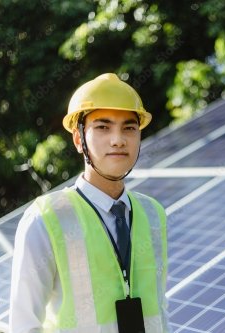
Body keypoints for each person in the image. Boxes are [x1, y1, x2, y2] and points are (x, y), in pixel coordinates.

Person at [10, 73, 170, 333]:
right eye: (103, 127)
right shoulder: (47, 219)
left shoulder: (154, 214)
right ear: (78, 139)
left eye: (129, 127)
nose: (118, 139)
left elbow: (160, 310)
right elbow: (24, 325)